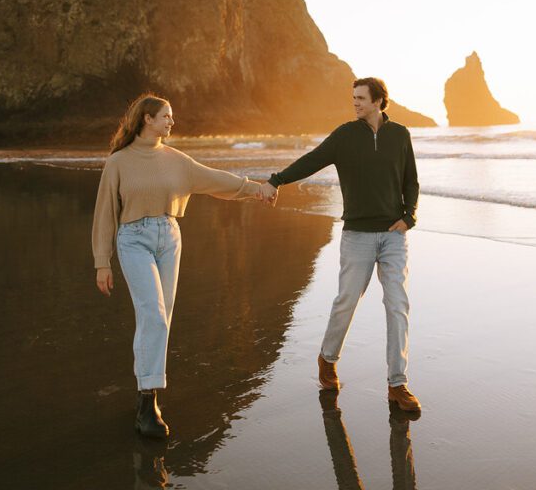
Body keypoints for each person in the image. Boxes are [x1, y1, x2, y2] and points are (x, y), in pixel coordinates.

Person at [92, 93, 268, 438]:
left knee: (162, 317)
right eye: (166, 116)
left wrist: (255, 189)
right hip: (134, 239)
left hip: (169, 237)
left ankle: (148, 392)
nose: (172, 121)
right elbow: (104, 214)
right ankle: (148, 402)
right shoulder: (119, 162)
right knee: (153, 316)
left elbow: (215, 180)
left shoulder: (177, 160)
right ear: (147, 119)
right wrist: (102, 262)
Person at [259, 77, 421, 413]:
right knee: (347, 300)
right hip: (358, 235)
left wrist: (410, 216)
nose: (355, 103)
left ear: (379, 101)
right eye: (353, 98)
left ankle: (398, 384)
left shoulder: (400, 135)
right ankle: (328, 359)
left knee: (397, 305)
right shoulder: (345, 135)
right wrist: (277, 180)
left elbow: (411, 180)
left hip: (393, 235)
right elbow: (312, 160)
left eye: (361, 98)